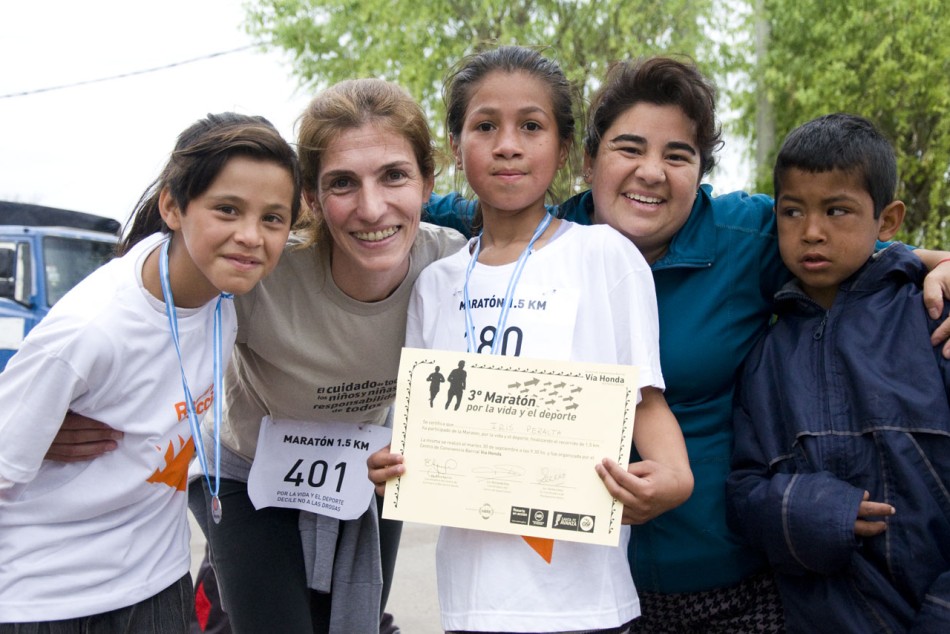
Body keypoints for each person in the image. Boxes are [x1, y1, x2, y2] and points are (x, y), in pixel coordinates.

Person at [425, 55, 950, 632]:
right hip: (588, 587)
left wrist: (934, 265)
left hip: (735, 583)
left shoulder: (747, 235)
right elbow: (414, 204)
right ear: (587, 159)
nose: (651, 172)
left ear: (700, 173)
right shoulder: (542, 234)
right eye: (629, 148)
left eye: (677, 156)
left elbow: (847, 240)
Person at [369, 45, 693, 634]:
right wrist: (393, 463)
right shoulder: (435, 283)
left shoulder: (605, 257)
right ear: (455, 144)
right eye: (485, 125)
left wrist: (674, 474)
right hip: (471, 598)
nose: (508, 145)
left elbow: (645, 401)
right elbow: (415, 434)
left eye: (531, 126)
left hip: (586, 601)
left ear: (564, 148)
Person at [184, 79, 466, 633]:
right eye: (342, 183)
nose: (371, 207)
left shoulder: (454, 268)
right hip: (248, 473)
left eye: (395, 175)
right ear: (310, 199)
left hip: (368, 469)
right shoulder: (265, 271)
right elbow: (157, 316)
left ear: (428, 181)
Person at [0, 113, 301, 631]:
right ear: (172, 206)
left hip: (158, 587)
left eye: (273, 218)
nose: (251, 236)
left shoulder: (225, 302)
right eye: (227, 210)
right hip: (47, 600)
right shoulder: (89, 331)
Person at [725, 113, 950, 633]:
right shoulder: (765, 354)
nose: (812, 232)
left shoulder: (933, 319)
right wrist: (805, 509)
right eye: (792, 211)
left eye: (837, 210)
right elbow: (743, 491)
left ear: (887, 221)